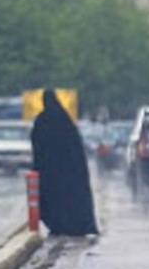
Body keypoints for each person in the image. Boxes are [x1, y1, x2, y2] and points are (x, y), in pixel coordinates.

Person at [29, 89, 99, 237]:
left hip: (49, 173)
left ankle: (58, 224)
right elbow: (77, 151)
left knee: (53, 200)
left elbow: (37, 147)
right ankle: (77, 224)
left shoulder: (41, 121)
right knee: (71, 199)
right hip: (70, 173)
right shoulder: (66, 122)